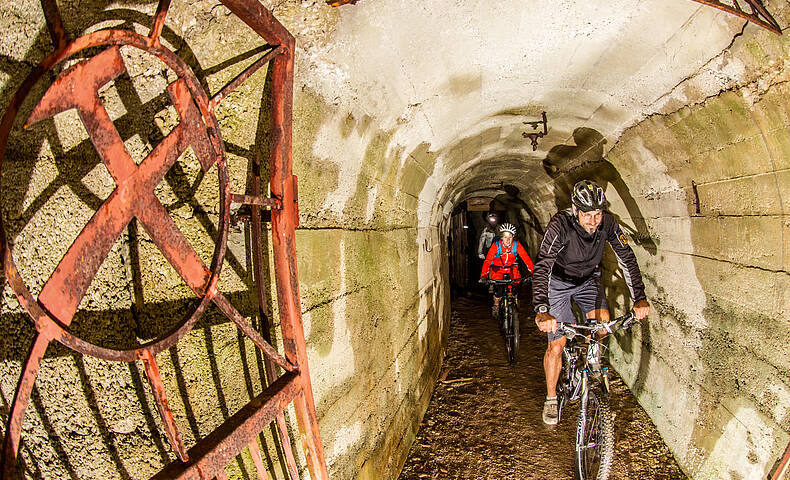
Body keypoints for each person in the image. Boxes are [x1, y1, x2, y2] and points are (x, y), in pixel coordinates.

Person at [533, 180, 650, 425]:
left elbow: (627, 258)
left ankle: (592, 364)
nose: (593, 221)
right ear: (576, 210)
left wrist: (639, 297)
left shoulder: (608, 223)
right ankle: (552, 398)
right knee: (557, 343)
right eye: (587, 214)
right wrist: (542, 309)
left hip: (588, 281)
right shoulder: (560, 225)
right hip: (559, 283)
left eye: (597, 214)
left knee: (602, 325)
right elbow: (543, 265)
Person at [479, 223, 534, 318]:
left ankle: (514, 306)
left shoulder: (516, 245)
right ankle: (496, 304)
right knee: (499, 291)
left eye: (510, 237)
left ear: (513, 237)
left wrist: (534, 272)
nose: (507, 240)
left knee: (517, 286)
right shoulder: (496, 246)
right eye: (505, 237)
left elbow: (526, 259)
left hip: (512, 269)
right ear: (501, 237)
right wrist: (483, 275)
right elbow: (488, 261)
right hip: (497, 270)